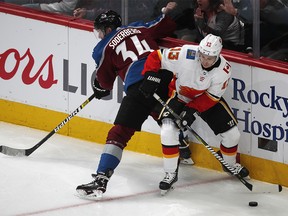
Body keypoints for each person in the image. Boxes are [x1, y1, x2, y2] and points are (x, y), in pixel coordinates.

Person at [76, 2, 178, 200]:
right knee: (165, 116)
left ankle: (101, 178)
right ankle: (182, 147)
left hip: (139, 85)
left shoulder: (102, 47)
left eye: (99, 31)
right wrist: (165, 12)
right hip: (165, 77)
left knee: (119, 134)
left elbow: (105, 83)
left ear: (107, 29)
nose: (99, 35)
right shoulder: (139, 27)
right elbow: (167, 25)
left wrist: (99, 87)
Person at [140, 34, 250, 192]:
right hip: (181, 96)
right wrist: (150, 76)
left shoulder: (223, 70)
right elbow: (156, 56)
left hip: (205, 98)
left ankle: (230, 165)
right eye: (203, 56)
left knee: (232, 134)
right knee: (167, 130)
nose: (205, 60)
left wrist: (192, 110)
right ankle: (170, 173)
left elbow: (212, 97)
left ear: (218, 55)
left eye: (210, 58)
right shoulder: (186, 53)